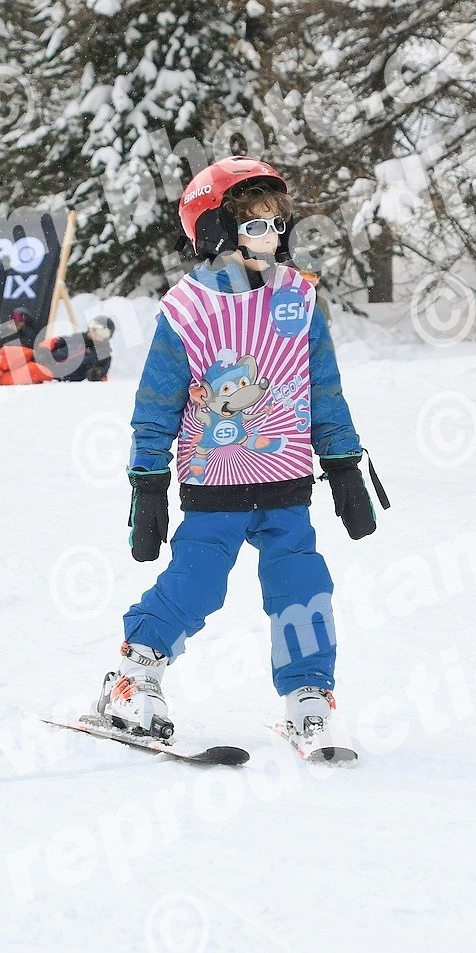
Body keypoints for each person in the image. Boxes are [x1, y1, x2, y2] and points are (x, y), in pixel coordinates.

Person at [93, 156, 382, 747]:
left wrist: (344, 463)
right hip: (215, 481)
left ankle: (308, 695)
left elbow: (324, 390)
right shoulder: (188, 311)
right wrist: (147, 481)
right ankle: (134, 673)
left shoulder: (298, 301)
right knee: (197, 583)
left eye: (277, 224)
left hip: (285, 480)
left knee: (303, 587)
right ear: (216, 231)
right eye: (254, 225)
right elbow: (156, 404)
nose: (269, 238)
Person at [0, 317, 54, 385]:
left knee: (28, 369)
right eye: (15, 318)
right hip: (29, 357)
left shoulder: (32, 333)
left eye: (21, 318)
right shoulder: (8, 332)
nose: (17, 321)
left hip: (40, 362)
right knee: (5, 356)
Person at [45, 316, 115, 382]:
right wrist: (45, 348)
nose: (94, 332)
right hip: (46, 361)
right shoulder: (79, 338)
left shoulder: (103, 356)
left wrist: (95, 374)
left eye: (102, 332)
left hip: (56, 375)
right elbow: (58, 341)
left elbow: (101, 374)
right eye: (93, 328)